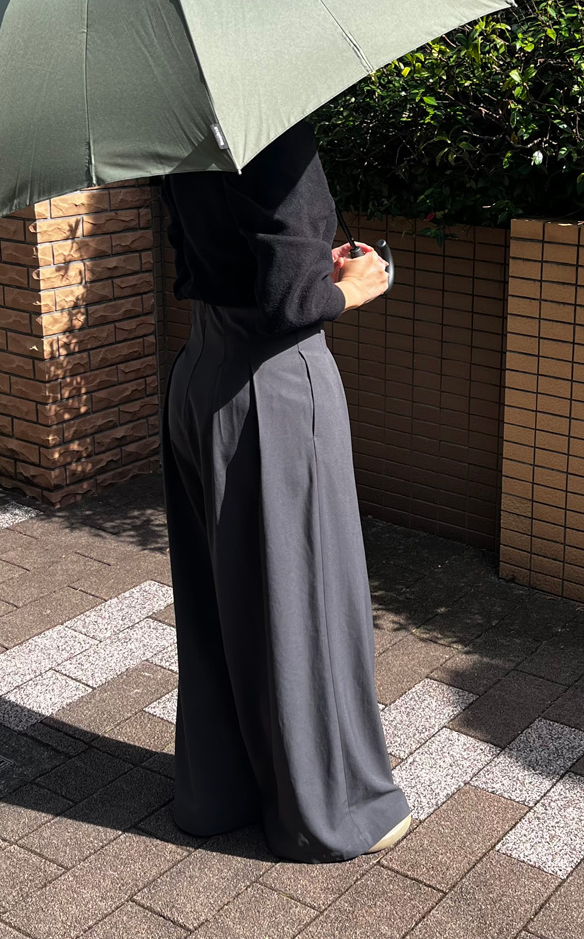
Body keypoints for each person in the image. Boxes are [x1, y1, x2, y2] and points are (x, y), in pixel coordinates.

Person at [159, 118, 411, 861]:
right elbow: (289, 301)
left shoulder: (179, 131)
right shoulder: (272, 130)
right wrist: (355, 287)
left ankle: (219, 792)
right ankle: (332, 810)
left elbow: (214, 258)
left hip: (199, 378)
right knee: (309, 601)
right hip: (274, 385)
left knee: (217, 600)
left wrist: (309, 269)